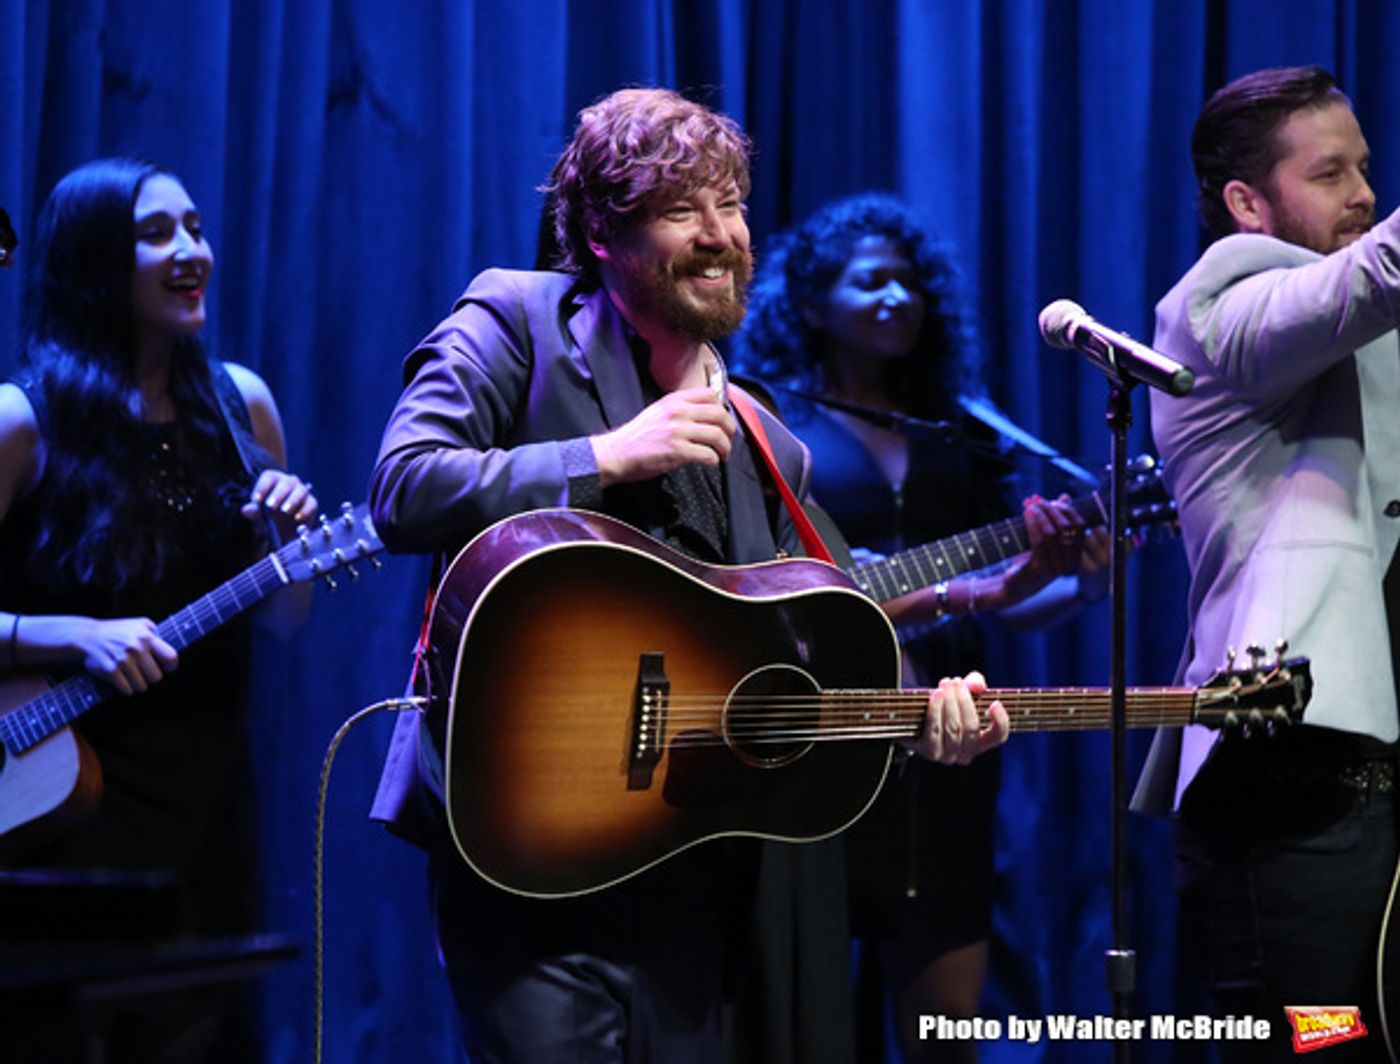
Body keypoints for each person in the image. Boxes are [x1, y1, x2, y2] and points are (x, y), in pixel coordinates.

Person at [367, 88, 1023, 1064]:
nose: (720, 235)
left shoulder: (765, 436)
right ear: (599, 232)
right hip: (529, 841)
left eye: (732, 204)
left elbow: (818, 624)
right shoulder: (517, 320)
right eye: (681, 210)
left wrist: (920, 714)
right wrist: (608, 454)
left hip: (696, 854)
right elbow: (403, 486)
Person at [732, 193, 1104, 1063]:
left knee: (946, 1024)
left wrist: (1083, 583)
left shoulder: (961, 434)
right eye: (870, 282)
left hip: (949, 737)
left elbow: (1006, 596)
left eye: (909, 282)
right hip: (826, 735)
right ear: (813, 303)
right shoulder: (779, 428)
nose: (897, 297)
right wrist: (959, 592)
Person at [0, 159, 317, 1060]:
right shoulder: (23, 420)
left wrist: (283, 546)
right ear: (94, 259)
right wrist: (69, 636)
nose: (191, 251)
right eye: (156, 233)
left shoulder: (241, 405)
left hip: (204, 805)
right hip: (49, 803)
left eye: (196, 229)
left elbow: (284, 621)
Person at [1133, 66, 1400, 1062]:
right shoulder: (1217, 302)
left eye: (1364, 168)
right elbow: (1372, 278)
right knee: (1315, 1048)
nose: (1362, 195)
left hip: (1366, 779)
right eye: (1329, 174)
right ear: (1248, 204)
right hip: (1286, 786)